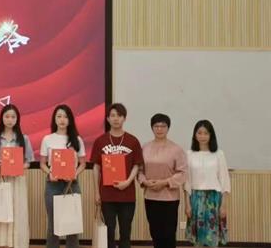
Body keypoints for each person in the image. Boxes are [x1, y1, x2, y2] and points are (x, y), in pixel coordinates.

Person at [90, 103, 143, 248]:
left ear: (124, 118)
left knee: (125, 233)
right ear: (107, 119)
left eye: (119, 115)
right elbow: (96, 167)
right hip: (107, 195)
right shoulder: (100, 141)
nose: (116, 119)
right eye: (112, 115)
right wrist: (96, 192)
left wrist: (128, 182)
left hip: (127, 195)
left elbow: (137, 165)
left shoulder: (133, 141)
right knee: (109, 233)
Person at [0, 104, 34, 248]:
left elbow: (28, 162)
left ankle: (16, 243)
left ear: (17, 119)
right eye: (7, 116)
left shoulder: (23, 138)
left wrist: (19, 167)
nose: (10, 120)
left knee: (16, 210)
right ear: (2, 118)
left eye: (13, 117)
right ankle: (0, 243)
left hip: (17, 180)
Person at [39, 104, 86, 248]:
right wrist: (50, 173)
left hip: (72, 184)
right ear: (54, 119)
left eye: (65, 117)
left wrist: (74, 174)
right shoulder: (47, 139)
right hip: (53, 185)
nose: (62, 120)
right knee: (53, 224)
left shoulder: (77, 140)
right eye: (59, 116)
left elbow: (83, 164)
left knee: (72, 224)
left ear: (70, 120)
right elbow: (42, 164)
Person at [138, 113, 187, 248]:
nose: (159, 129)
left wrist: (164, 182)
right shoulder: (145, 147)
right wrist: (145, 182)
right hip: (150, 196)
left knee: (169, 233)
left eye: (163, 126)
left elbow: (182, 173)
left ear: (168, 128)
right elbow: (139, 171)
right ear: (152, 128)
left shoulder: (176, 149)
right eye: (156, 126)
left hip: (169, 198)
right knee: (155, 232)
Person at [184, 120, 231, 247]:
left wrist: (223, 205)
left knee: (212, 238)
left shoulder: (219, 154)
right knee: (198, 239)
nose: (202, 136)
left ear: (211, 135)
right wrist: (187, 204)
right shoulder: (189, 154)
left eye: (206, 133)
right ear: (195, 135)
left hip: (214, 199)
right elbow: (187, 181)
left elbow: (224, 180)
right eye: (199, 133)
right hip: (196, 198)